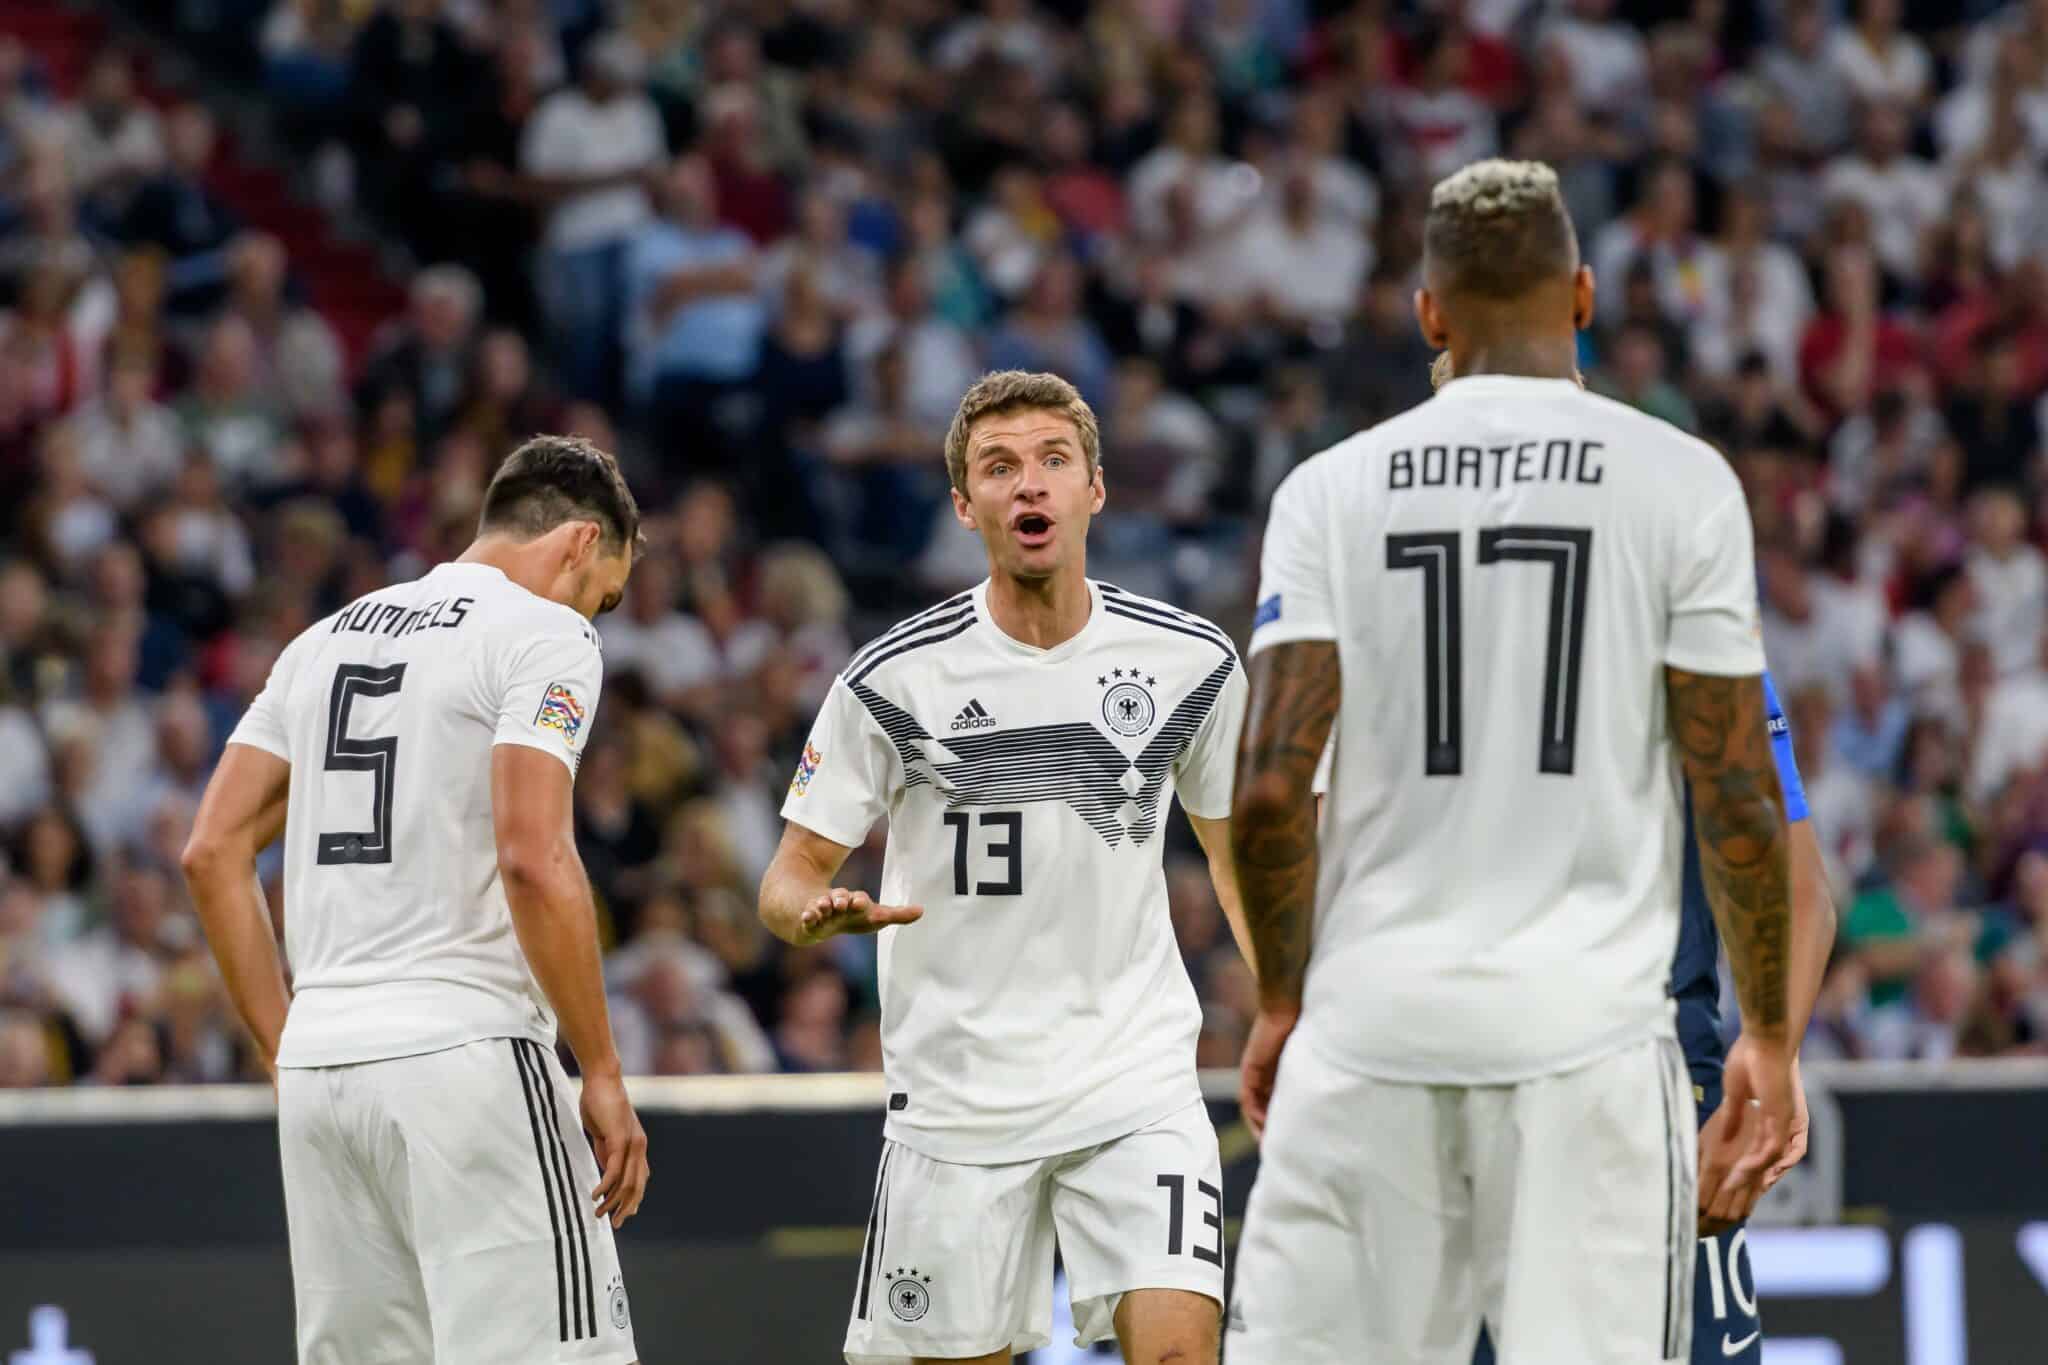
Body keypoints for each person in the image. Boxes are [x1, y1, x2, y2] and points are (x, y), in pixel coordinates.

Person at [1224, 160, 1796, 1364]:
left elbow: (1271, 788)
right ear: (1581, 296)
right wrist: (1770, 1037)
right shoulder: (1680, 483)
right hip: (1587, 1048)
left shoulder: (1326, 492)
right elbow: (1737, 790)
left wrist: (1282, 998)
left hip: (1372, 1034)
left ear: (1428, 312)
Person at [757, 370, 1251, 1365]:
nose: (1028, 485)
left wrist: (1287, 1002)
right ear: (964, 504)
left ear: (1093, 489)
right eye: (999, 467)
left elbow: (1242, 861)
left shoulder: (1189, 662)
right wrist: (812, 914)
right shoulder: (891, 678)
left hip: (1133, 1078)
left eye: (1051, 461)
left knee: (1179, 1351)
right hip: (957, 1099)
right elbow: (784, 880)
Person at [180, 434, 649, 1364]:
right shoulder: (547, 635)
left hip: (322, 1073)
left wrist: (287, 1047)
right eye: (607, 590)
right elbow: (534, 854)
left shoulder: (322, 642)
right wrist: (599, 1066)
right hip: (464, 1057)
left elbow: (210, 849)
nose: (598, 610)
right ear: (579, 543)